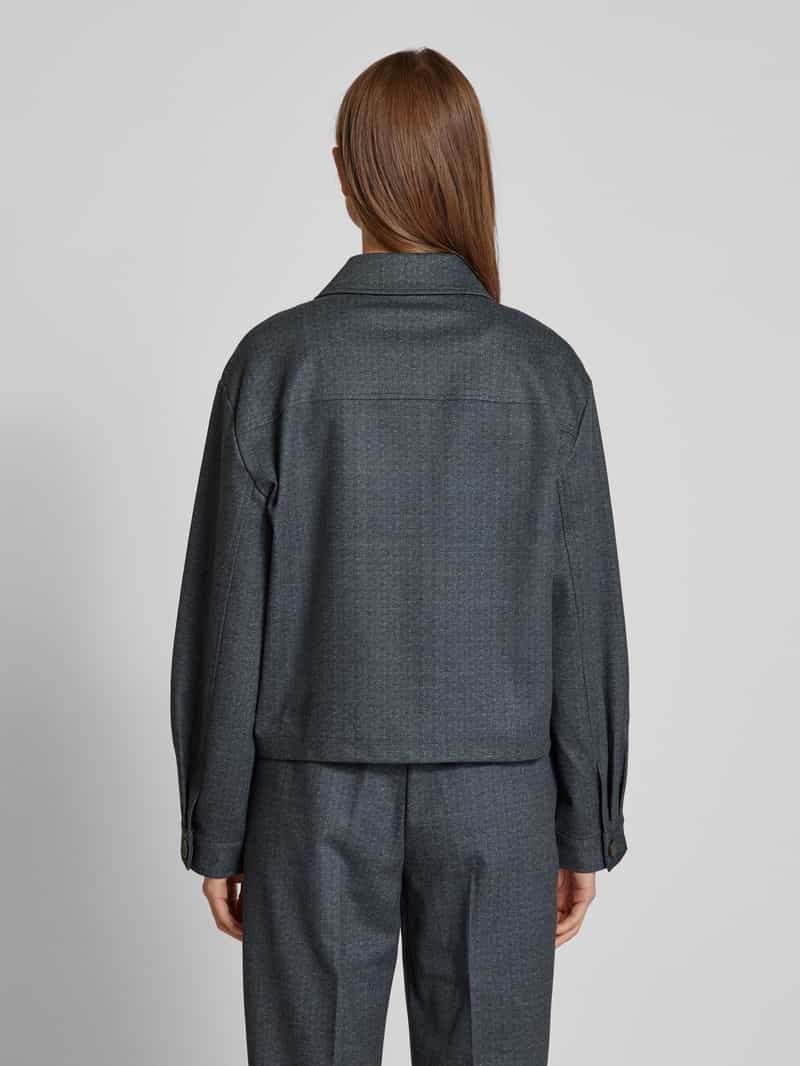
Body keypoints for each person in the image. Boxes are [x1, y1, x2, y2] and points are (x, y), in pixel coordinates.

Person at [171, 47, 629, 1066]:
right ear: (470, 169)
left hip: (311, 799)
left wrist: (220, 826)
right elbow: (582, 612)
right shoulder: (544, 371)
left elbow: (227, 612)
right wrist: (582, 824)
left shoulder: (275, 364)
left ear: (345, 172)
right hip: (499, 800)